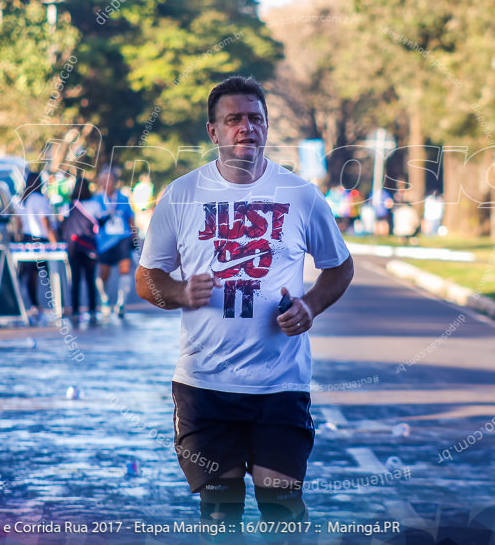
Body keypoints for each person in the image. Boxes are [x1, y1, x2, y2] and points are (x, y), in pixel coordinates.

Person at [136, 76, 354, 538]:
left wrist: (310, 306)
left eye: (255, 119)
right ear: (213, 132)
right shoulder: (180, 195)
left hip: (279, 384)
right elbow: (146, 279)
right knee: (221, 516)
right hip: (205, 385)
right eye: (233, 119)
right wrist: (178, 293)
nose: (245, 129)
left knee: (283, 512)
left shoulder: (301, 195)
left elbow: (339, 268)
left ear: (268, 126)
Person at [91, 167, 137, 319]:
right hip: (104, 242)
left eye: (110, 179)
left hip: (122, 238)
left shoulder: (122, 199)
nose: (107, 183)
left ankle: (121, 303)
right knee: (103, 274)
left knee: (125, 270)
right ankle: (104, 299)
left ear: (115, 181)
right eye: (103, 180)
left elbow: (130, 220)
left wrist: (134, 240)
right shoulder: (96, 199)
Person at [15, 172, 57, 319]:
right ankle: (54, 305)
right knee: (51, 272)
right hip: (40, 239)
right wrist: (54, 241)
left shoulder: (23, 200)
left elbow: (18, 223)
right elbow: (45, 222)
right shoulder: (39, 200)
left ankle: (34, 305)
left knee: (31, 275)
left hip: (27, 239)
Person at [61, 177, 101, 327]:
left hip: (73, 246)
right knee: (90, 279)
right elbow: (99, 222)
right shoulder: (95, 205)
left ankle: (76, 310)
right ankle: (92, 310)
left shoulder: (68, 205)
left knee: (75, 279)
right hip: (90, 246)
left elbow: (63, 224)